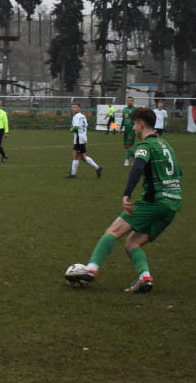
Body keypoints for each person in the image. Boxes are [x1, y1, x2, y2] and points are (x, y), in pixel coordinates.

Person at [65, 107, 183, 293]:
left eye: (135, 125)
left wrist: (126, 193)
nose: (134, 129)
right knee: (132, 243)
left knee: (113, 231)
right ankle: (145, 278)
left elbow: (137, 168)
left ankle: (91, 269)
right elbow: (179, 172)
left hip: (156, 202)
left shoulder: (145, 145)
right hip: (172, 205)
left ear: (141, 124)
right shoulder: (165, 144)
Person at [66, 102, 102, 178]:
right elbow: (85, 125)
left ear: (79, 108)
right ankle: (73, 174)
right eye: (73, 107)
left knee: (82, 156)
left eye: (75, 107)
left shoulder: (76, 117)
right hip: (82, 137)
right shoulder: (83, 116)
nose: (73, 109)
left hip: (79, 138)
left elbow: (76, 128)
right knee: (77, 155)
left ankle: (97, 168)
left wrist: (71, 129)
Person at [120, 97, 136, 165]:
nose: (129, 102)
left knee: (129, 145)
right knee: (125, 145)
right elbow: (123, 119)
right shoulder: (124, 109)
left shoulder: (134, 109)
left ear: (133, 102)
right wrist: (121, 128)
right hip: (126, 130)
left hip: (131, 130)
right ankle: (135, 158)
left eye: (131, 101)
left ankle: (126, 160)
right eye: (128, 101)